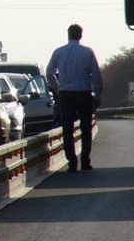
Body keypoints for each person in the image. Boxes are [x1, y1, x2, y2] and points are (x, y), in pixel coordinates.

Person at [46, 24, 103, 173]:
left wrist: (58, 88)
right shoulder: (87, 52)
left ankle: (72, 162)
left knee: (67, 128)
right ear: (81, 35)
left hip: (66, 94)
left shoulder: (59, 52)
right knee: (85, 128)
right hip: (84, 93)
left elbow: (49, 72)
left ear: (68, 34)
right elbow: (96, 75)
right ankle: (85, 160)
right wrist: (97, 94)